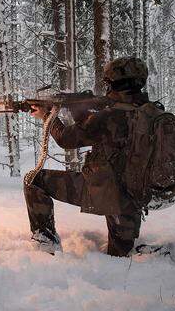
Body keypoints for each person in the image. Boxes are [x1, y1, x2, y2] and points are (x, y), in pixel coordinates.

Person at [26, 57, 151, 257]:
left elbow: (66, 139)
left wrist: (48, 116)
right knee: (122, 257)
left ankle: (46, 246)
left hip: (106, 191)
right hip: (136, 196)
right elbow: (102, 133)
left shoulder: (110, 116)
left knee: (33, 180)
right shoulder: (151, 112)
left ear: (113, 83)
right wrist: (81, 109)